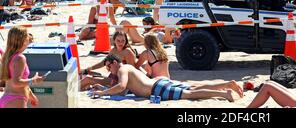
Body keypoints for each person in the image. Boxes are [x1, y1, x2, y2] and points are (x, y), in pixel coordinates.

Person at [90, 54, 243, 102]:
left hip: (156, 89)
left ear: (114, 62)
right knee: (193, 88)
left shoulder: (122, 69)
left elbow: (122, 87)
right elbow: (122, 91)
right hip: (158, 83)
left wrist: (103, 93)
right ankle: (228, 84)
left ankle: (224, 93)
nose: (109, 70)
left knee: (191, 94)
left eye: (108, 66)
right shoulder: (128, 68)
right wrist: (104, 88)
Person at [0, 27, 45, 108]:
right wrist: (33, 80)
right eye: (27, 35)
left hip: (8, 98)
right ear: (23, 40)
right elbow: (16, 82)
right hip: (16, 100)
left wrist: (31, 96)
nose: (29, 37)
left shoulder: (8, 56)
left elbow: (18, 81)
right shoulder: (20, 58)